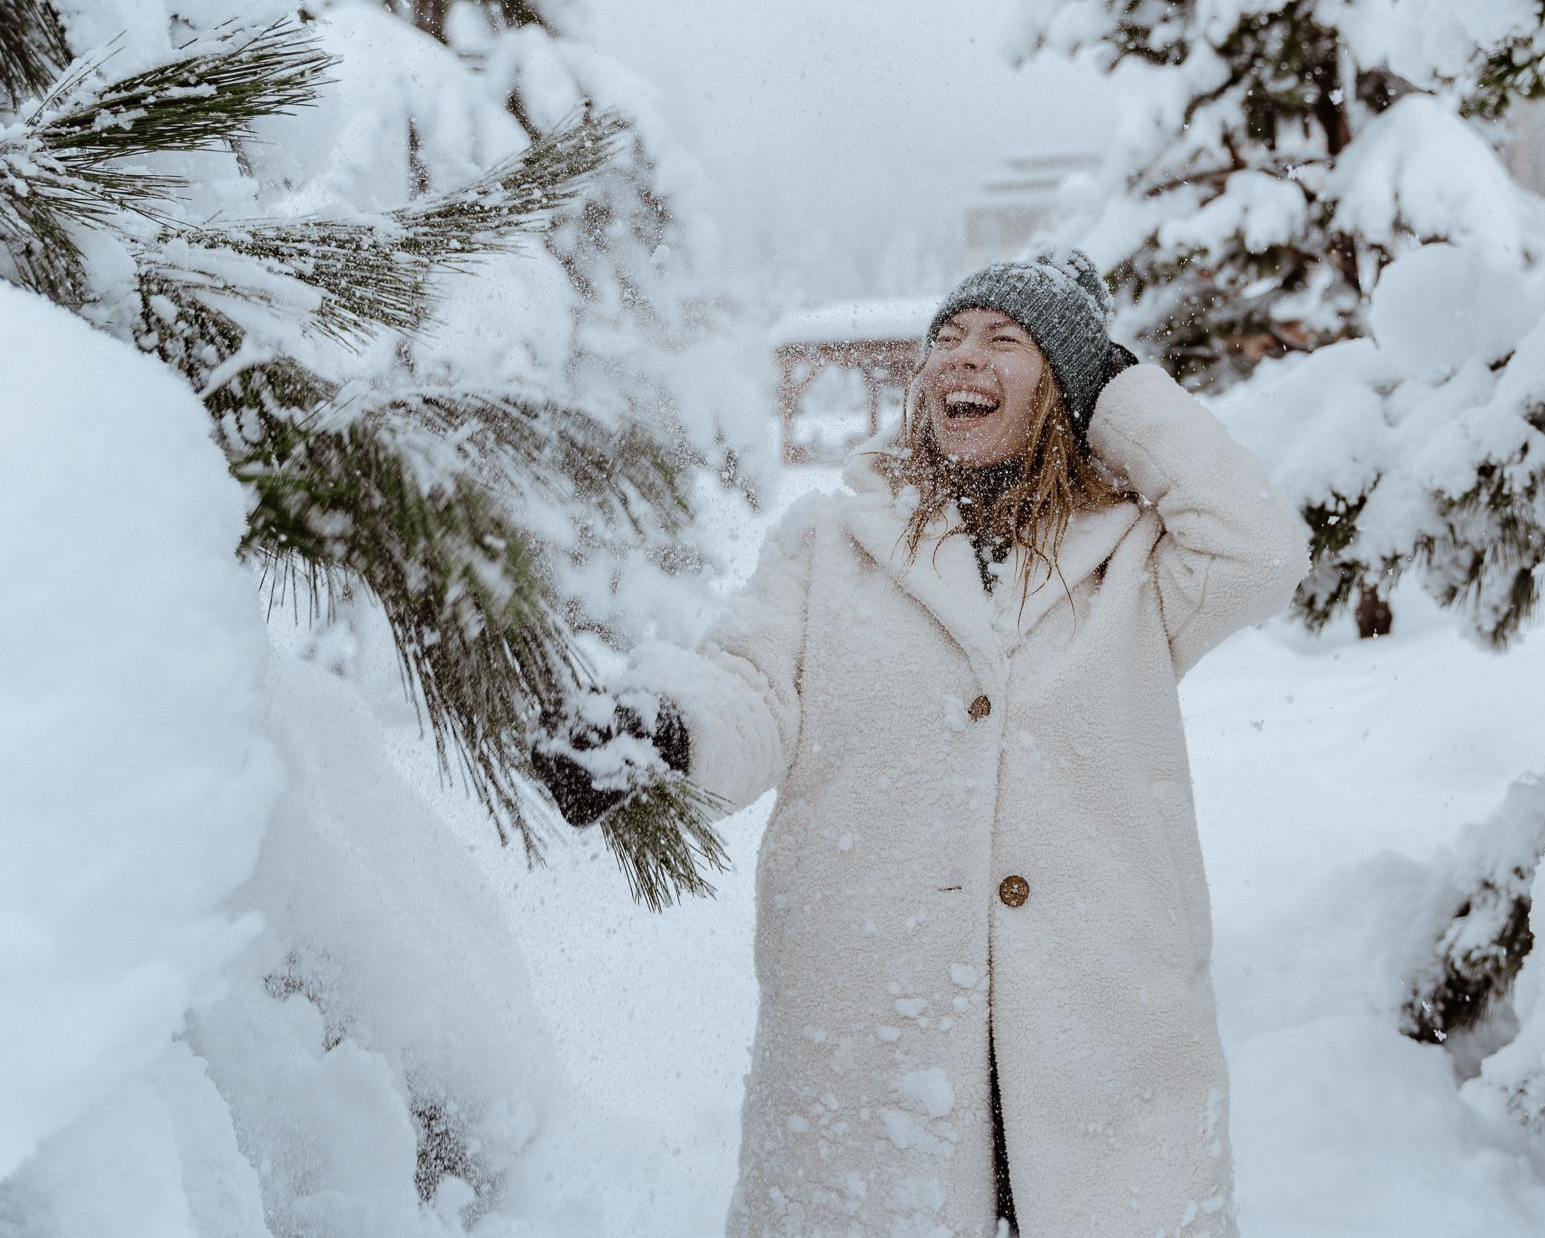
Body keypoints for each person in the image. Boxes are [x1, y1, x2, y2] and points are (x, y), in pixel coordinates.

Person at [534, 246, 1309, 1238]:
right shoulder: (831, 543)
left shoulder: (1140, 564)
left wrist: (1113, 384)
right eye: (944, 339)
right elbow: (751, 687)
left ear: (1065, 386)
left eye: (1002, 340)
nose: (959, 359)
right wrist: (664, 726)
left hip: (1097, 1028)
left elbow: (1262, 548)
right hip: (877, 1028)